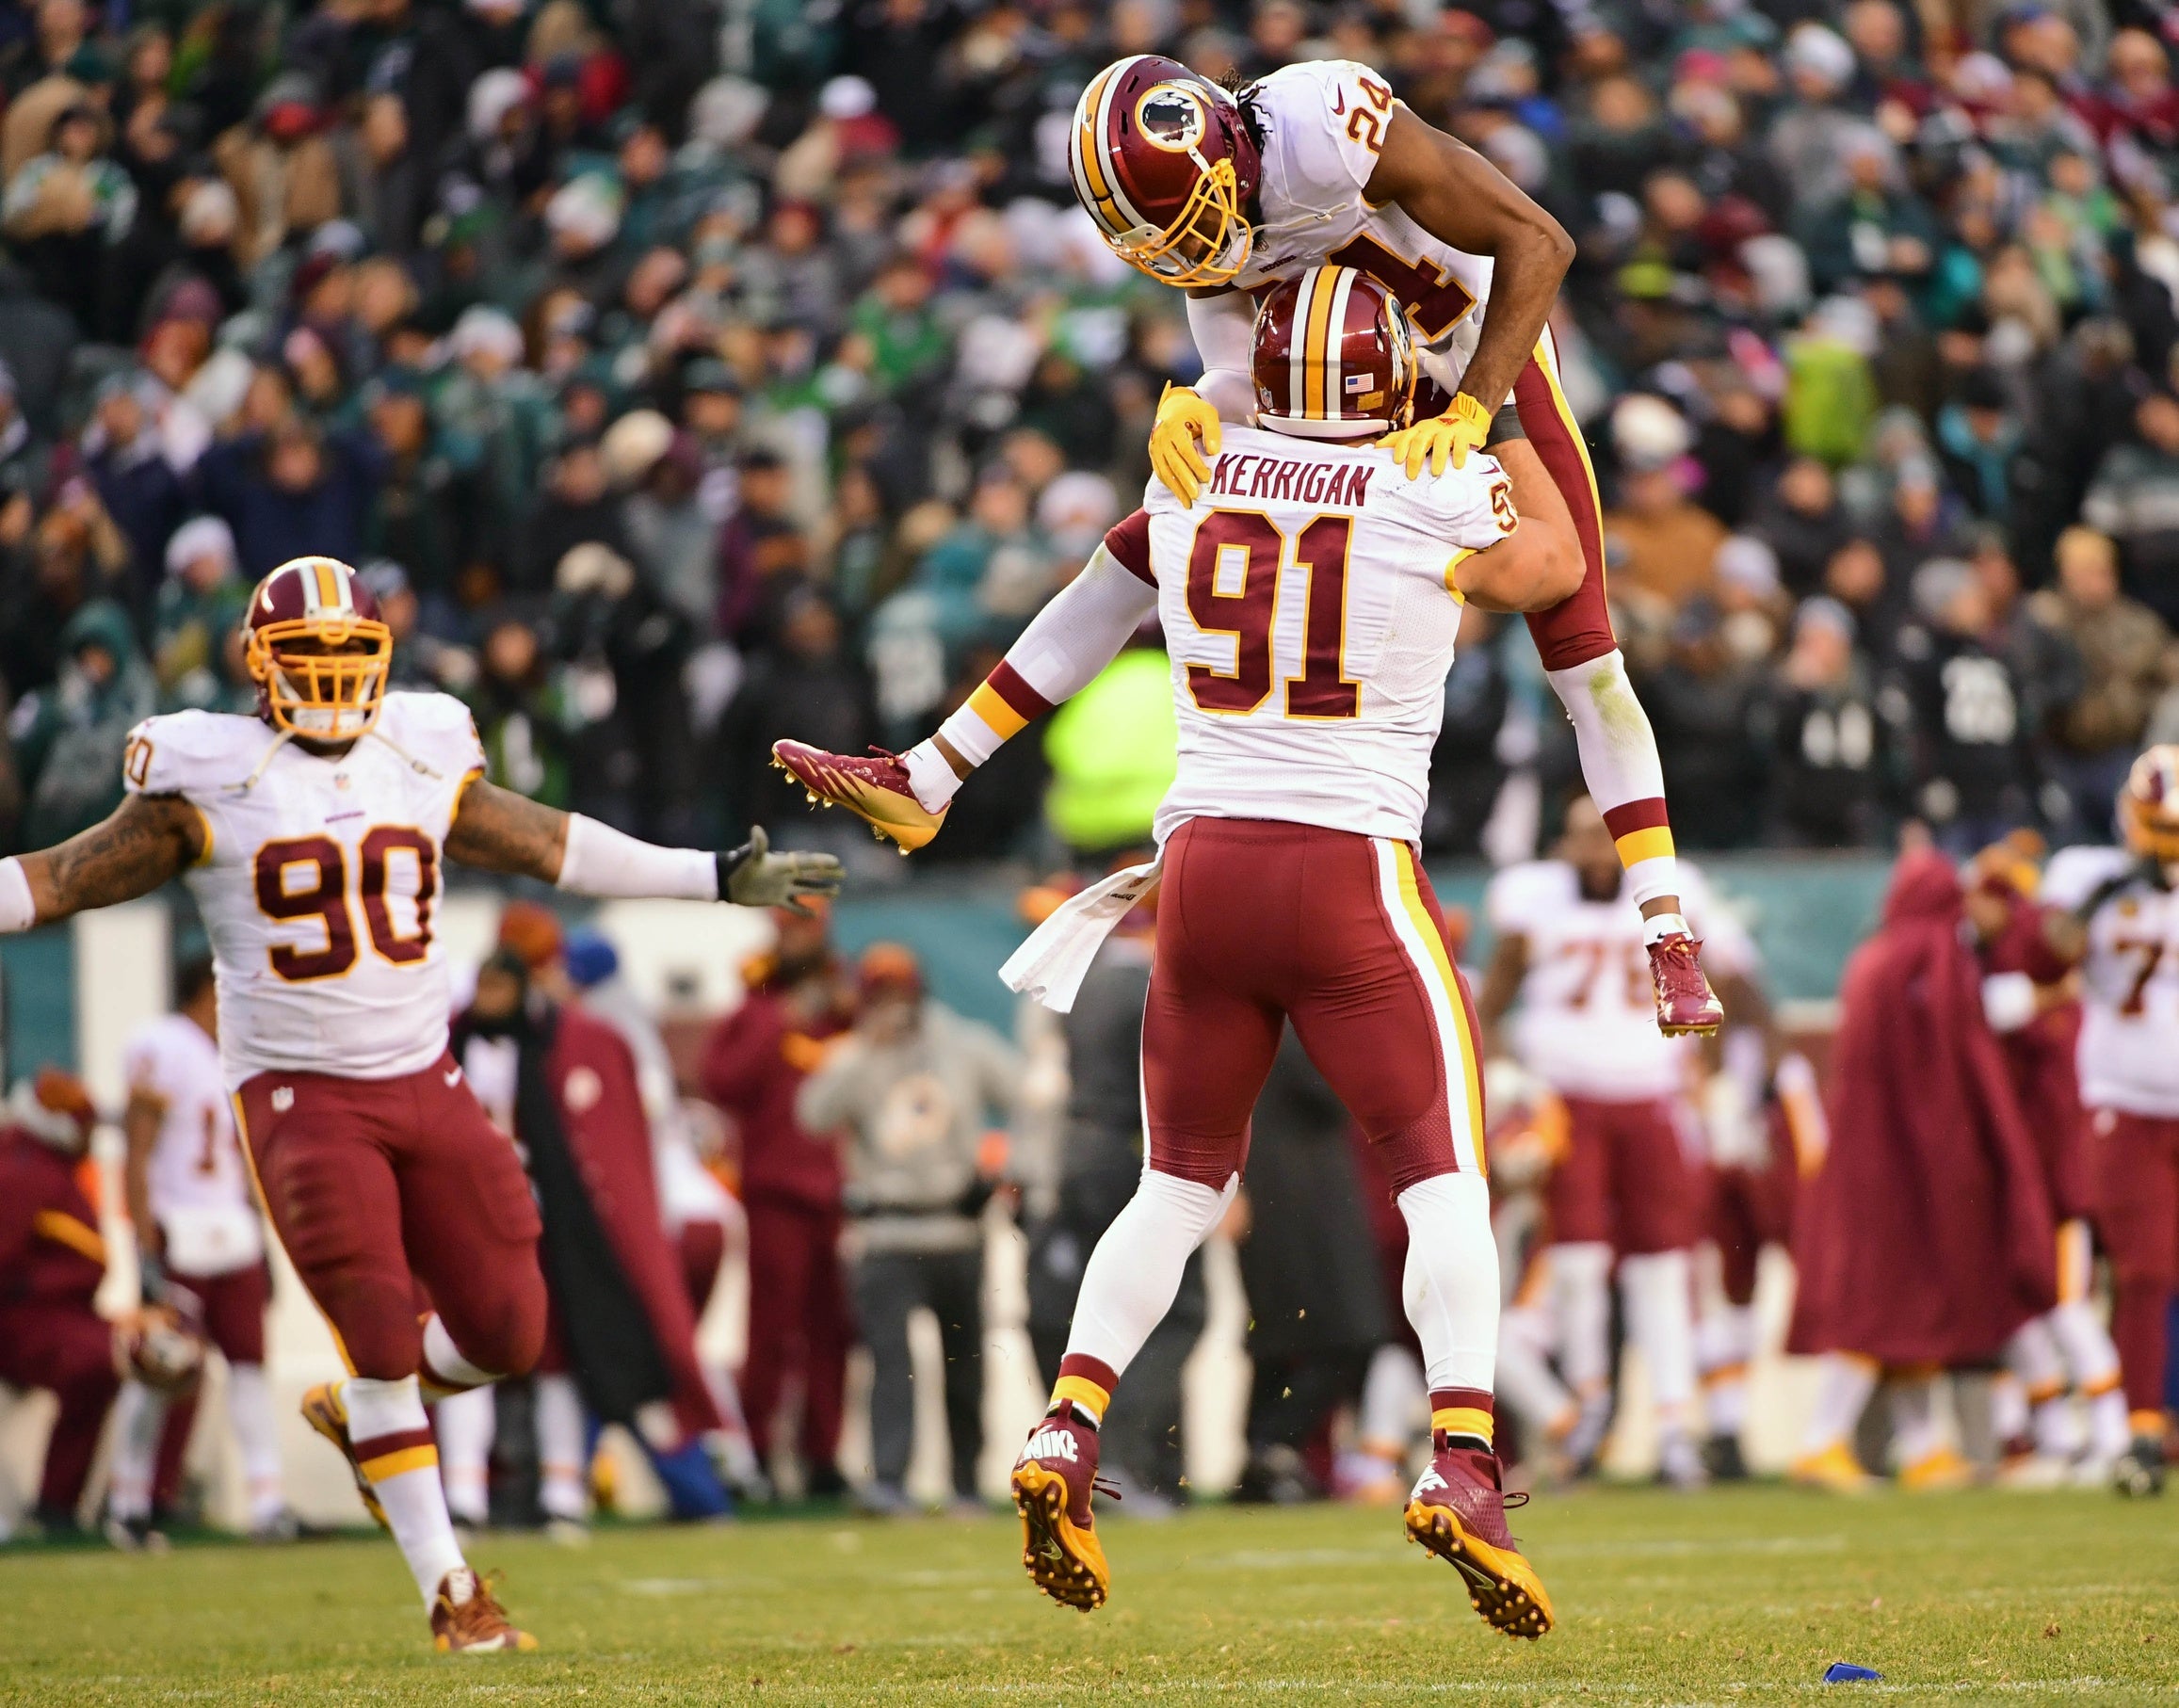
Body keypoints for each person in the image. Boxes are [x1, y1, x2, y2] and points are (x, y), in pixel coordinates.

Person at [791, 269, 1581, 1634]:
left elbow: (1089, 607)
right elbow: (1556, 566)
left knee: (1172, 1186)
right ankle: (1461, 1453)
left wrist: (944, 757)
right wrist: (1497, 397)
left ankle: (1064, 1426)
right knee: (1441, 1173)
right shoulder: (1425, 481)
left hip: (1202, 873)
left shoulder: (1194, 473)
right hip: (1347, 869)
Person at [0, 554, 840, 1651]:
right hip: (303, 1093)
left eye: (352, 653)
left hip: (422, 1073)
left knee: (509, 1328)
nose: (334, 675)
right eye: (310, 657)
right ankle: (454, 1592)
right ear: (263, 666)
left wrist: (712, 875)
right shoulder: (207, 774)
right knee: (383, 1333)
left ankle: (363, 1423)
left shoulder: (422, 746)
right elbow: (59, 876)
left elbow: (549, 841)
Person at [1064, 52, 1724, 1035]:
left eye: (1186, 221)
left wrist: (1476, 412)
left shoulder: (1323, 126)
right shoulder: (1216, 244)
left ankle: (1666, 928)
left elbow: (1537, 243)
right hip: (1338, 406)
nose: (1181, 254)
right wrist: (1194, 405)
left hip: (1473, 368)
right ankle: (938, 768)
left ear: (1231, 154)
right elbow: (1237, 377)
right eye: (1156, 241)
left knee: (1583, 650)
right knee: (1158, 522)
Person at [1477, 796, 1765, 1487]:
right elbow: (1491, 1001)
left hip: (1651, 1092)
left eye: (1609, 839)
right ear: (1562, 846)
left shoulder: (1674, 891)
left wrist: (1723, 1085)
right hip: (1565, 1097)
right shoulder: (1530, 899)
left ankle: (1672, 1429)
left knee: (1664, 1268)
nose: (1599, 853)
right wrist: (1500, 1084)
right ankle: (1588, 1420)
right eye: (1583, 839)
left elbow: (1731, 987)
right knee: (1575, 1267)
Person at [1785, 845, 2057, 1493]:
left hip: (1866, 1152)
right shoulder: (1933, 956)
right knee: (1887, 1302)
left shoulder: (1873, 958)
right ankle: (1822, 1440)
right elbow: (1955, 1054)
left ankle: (1924, 1445)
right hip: (1909, 1160)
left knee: (1913, 1304)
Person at [442, 942, 733, 1536]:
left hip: (573, 1227)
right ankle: (478, 1493)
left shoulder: (581, 1040)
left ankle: (575, 1491)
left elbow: (613, 1147)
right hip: (497, 1221)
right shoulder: (473, 1042)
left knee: (603, 1360)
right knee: (480, 1352)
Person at [796, 943, 1023, 1515]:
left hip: (956, 1228)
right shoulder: (853, 1055)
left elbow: (1028, 1097)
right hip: (886, 1232)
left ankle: (966, 1483)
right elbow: (811, 1115)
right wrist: (856, 1056)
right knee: (890, 1366)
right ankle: (890, 1480)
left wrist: (1003, 1169)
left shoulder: (962, 1044)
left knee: (964, 1366)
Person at [1025, 879, 1200, 1507]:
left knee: (1109, 1308)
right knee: (1175, 1312)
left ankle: (1099, 1454)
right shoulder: (1146, 989)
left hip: (1083, 1154)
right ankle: (1122, 1461)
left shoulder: (1087, 988)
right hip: (1134, 1155)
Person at [105, 955, 287, 1548]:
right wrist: (142, 1237)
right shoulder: (164, 1043)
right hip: (178, 1229)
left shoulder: (229, 1055)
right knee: (162, 1367)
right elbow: (136, 1149)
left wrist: (262, 1239)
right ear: (206, 991)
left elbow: (246, 1162)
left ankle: (267, 1502)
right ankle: (128, 1503)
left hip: (231, 1231)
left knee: (250, 1368)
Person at [1962, 847, 2130, 1484]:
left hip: (2054, 1175)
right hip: (2026, 1173)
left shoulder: (2038, 969)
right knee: (2026, 1305)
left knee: (2064, 1302)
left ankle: (2113, 1431)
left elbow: (2014, 1020)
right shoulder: (2018, 967)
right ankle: (2050, 1437)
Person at [2040, 749, 2179, 1494]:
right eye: (2158, 828)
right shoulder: (2085, 875)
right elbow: (2043, 958)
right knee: (2147, 1270)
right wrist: (2104, 899)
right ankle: (2140, 1431)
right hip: (2125, 1101)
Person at [702, 902, 855, 1501]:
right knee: (771, 1328)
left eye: (809, 926)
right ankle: (759, 1453)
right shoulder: (759, 1004)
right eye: (790, 926)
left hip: (839, 1193)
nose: (798, 938)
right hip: (776, 1192)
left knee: (833, 1332)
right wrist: (779, 1019)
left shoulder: (844, 1002)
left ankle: (824, 1457)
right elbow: (723, 1082)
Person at [0, 1071, 121, 1535]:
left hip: (61, 1315)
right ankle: (59, 1503)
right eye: (86, 1124)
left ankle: (133, 1499)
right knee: (103, 1360)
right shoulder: (21, 1171)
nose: (92, 1136)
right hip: (24, 1320)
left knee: (149, 1352)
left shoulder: (48, 1167)